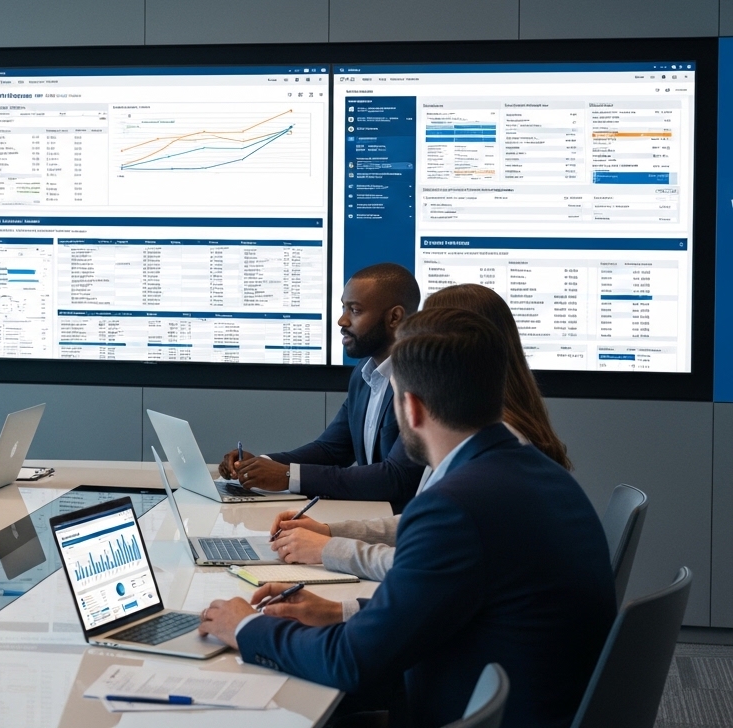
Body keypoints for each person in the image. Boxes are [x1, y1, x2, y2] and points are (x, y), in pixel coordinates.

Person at [197, 309, 615, 728]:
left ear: (411, 408)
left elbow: (350, 663)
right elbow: (444, 603)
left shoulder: (454, 508)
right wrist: (340, 612)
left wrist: (246, 627)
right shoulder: (538, 473)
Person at [272, 285, 572, 585]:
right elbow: (425, 527)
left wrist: (328, 548)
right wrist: (330, 532)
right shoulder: (480, 437)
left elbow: (423, 565)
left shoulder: (492, 459)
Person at [221, 263, 427, 511]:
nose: (342, 320)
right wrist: (259, 464)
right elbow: (331, 450)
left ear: (394, 317)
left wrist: (288, 476)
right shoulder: (364, 374)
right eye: (343, 307)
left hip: (404, 531)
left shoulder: (422, 381)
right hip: (373, 519)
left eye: (355, 310)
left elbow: (397, 478)